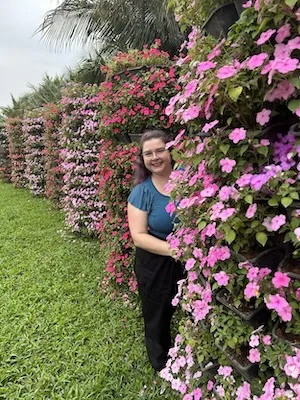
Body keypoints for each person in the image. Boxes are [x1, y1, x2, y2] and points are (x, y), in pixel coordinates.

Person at [127, 129, 184, 371]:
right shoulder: (142, 192)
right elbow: (139, 236)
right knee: (157, 313)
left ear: (171, 150)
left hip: (192, 256)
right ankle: (162, 362)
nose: (155, 157)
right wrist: (177, 250)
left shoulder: (188, 179)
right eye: (148, 153)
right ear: (143, 158)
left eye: (160, 150)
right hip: (156, 261)